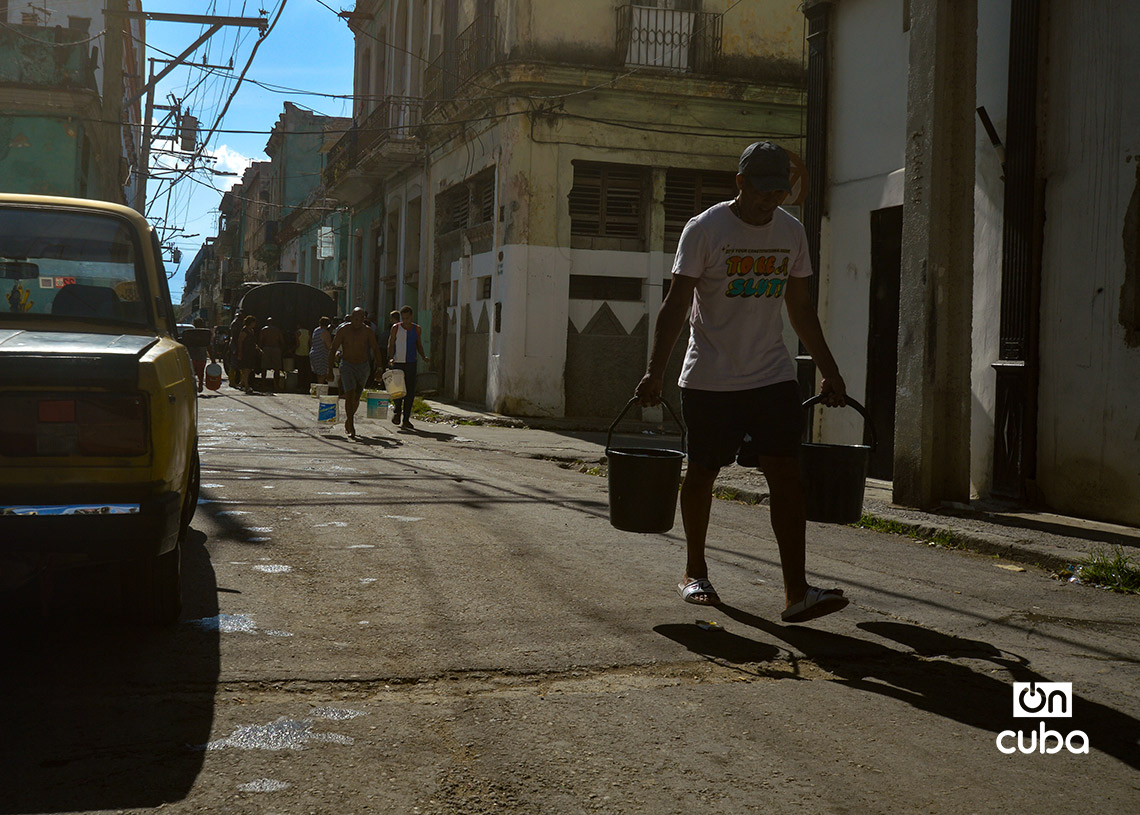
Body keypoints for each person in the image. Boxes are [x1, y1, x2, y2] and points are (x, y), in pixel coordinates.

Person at [634, 141, 850, 624]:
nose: (769, 201)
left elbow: (800, 309)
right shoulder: (705, 229)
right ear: (740, 183)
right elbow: (675, 306)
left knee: (787, 475)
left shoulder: (791, 232)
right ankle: (695, 572)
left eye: (778, 192)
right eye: (761, 191)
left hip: (772, 375)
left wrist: (829, 371)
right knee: (704, 472)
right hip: (710, 378)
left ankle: (797, 591)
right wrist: (655, 371)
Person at [329, 307, 383, 438]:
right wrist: (329, 370)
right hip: (347, 365)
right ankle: (351, 423)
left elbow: (375, 349)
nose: (357, 322)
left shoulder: (368, 332)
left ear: (364, 320)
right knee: (350, 394)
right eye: (355, 319)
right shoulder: (343, 330)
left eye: (360, 319)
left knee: (357, 396)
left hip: (363, 366)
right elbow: (333, 348)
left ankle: (348, 419)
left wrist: (380, 368)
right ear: (351, 318)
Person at [387, 305, 428, 430]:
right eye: (403, 318)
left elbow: (418, 344)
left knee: (410, 392)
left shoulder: (417, 329)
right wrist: (390, 357)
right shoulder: (396, 328)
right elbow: (391, 343)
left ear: (411, 317)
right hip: (398, 362)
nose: (405, 321)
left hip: (411, 362)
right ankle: (397, 411)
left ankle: (406, 419)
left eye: (407, 318)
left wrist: (423, 356)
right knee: (398, 390)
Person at [180, 317, 216, 394]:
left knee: (190, 373)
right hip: (201, 357)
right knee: (201, 372)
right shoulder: (205, 334)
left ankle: (192, 386)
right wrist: (213, 359)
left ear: (194, 324)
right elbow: (208, 346)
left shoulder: (188, 333)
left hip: (191, 357)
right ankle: (200, 384)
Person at [237, 314, 261, 395]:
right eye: (253, 323)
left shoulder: (252, 331)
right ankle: (246, 386)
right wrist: (240, 353)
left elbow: (253, 342)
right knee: (246, 369)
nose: (254, 324)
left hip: (251, 352)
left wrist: (258, 349)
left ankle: (241, 383)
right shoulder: (244, 331)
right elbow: (240, 342)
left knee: (249, 369)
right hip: (245, 352)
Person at [259, 317, 285, 390]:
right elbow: (282, 341)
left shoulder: (264, 330)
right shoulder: (277, 330)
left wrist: (260, 350)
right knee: (276, 368)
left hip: (266, 348)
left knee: (264, 368)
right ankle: (276, 385)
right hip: (275, 349)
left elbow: (260, 341)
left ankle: (263, 385)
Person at [309, 316, 333, 385]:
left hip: (314, 354)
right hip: (321, 355)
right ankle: (320, 391)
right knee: (323, 375)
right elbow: (329, 346)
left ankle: (318, 389)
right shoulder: (325, 333)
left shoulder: (316, 330)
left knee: (318, 374)